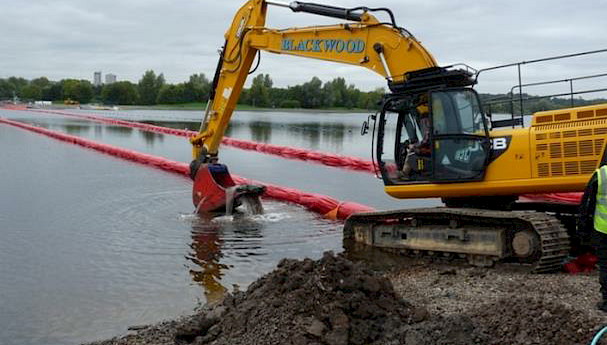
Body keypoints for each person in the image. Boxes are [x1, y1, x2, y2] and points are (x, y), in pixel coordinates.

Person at [578, 164, 607, 311]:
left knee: (606, 266)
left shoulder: (602, 175)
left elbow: (587, 205)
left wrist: (583, 230)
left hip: (603, 229)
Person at [402, 104, 431, 177]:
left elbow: (426, 140)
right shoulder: (430, 121)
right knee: (413, 149)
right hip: (431, 148)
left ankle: (405, 173)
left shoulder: (425, 121)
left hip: (431, 150)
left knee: (411, 152)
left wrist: (414, 146)